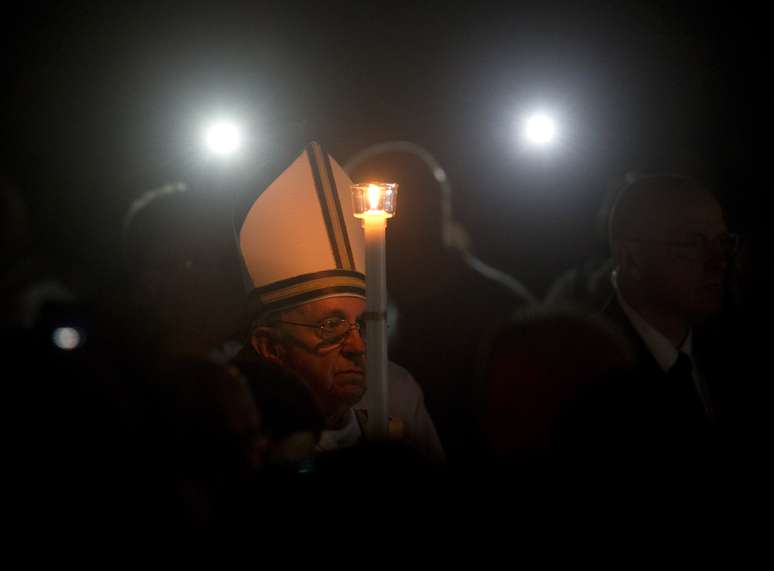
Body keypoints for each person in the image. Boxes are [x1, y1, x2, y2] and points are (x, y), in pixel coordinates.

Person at [233, 141, 445, 465]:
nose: (358, 347)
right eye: (331, 325)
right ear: (269, 347)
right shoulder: (238, 421)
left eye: (361, 324)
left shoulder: (396, 394)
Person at [573, 173, 741, 471]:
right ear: (631, 258)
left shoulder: (737, 348)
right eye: (692, 243)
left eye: (722, 242)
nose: (719, 262)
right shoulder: (587, 372)